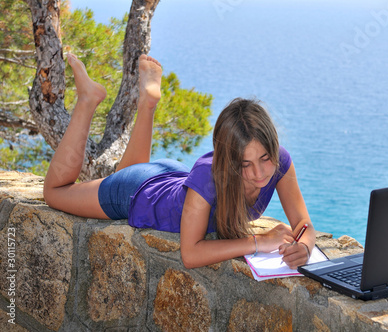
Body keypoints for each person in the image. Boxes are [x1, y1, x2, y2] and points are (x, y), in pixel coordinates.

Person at [43, 53, 316, 269]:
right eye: (245, 164)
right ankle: (88, 100)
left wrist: (303, 247)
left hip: (173, 179)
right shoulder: (209, 176)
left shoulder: (281, 162)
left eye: (265, 158)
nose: (259, 172)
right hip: (139, 191)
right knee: (55, 192)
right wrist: (259, 242)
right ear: (228, 161)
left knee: (127, 171)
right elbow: (191, 254)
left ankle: (148, 103)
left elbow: (303, 223)